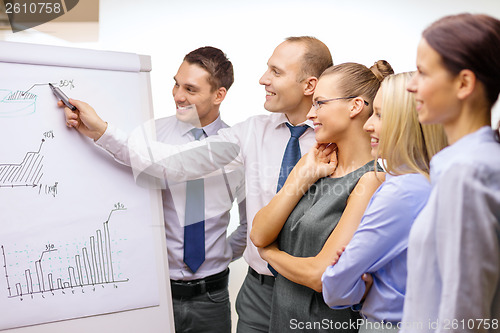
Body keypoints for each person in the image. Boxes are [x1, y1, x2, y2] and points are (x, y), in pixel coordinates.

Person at [59, 36, 333, 333]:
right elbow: (171, 161)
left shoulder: (336, 138)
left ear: (309, 85)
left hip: (311, 293)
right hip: (258, 290)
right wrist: (101, 129)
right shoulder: (250, 133)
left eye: (276, 72)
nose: (262, 79)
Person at [62, 46, 246, 333]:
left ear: (219, 95)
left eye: (190, 89)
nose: (177, 95)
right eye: (176, 83)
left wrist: (218, 255)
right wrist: (98, 131)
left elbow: (249, 226)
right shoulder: (150, 135)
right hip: (155, 292)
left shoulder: (237, 146)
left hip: (212, 296)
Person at [250, 61, 393, 332]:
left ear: (355, 106)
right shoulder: (316, 166)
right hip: (282, 320)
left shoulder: (371, 180)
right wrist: (300, 176)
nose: (311, 114)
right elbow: (258, 233)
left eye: (320, 104)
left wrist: (269, 254)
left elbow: (321, 275)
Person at [321, 72, 447, 332]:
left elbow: (334, 287)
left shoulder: (400, 191)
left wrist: (361, 284)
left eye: (380, 115)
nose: (368, 125)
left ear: (407, 123)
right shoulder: (439, 179)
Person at [400, 13, 500, 332]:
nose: (411, 86)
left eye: (422, 73)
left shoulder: (467, 172)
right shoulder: (464, 164)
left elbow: (464, 315)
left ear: (464, 83)